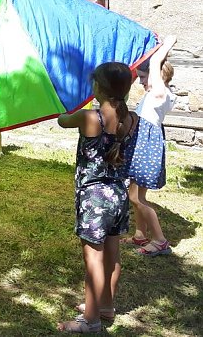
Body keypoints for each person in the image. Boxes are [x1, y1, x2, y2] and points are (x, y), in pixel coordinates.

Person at [56, 62, 135, 333]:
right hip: (118, 194)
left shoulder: (89, 118)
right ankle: (105, 307)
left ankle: (90, 321)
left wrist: (72, 102)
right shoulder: (130, 118)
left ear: (98, 87)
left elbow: (62, 119)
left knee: (93, 259)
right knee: (112, 254)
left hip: (95, 197)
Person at [122, 35, 177, 256]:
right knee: (136, 193)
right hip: (141, 146)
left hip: (145, 148)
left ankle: (160, 240)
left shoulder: (159, 93)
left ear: (157, 77)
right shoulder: (154, 95)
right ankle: (140, 234)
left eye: (144, 77)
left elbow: (155, 64)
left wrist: (165, 45)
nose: (142, 81)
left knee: (136, 197)